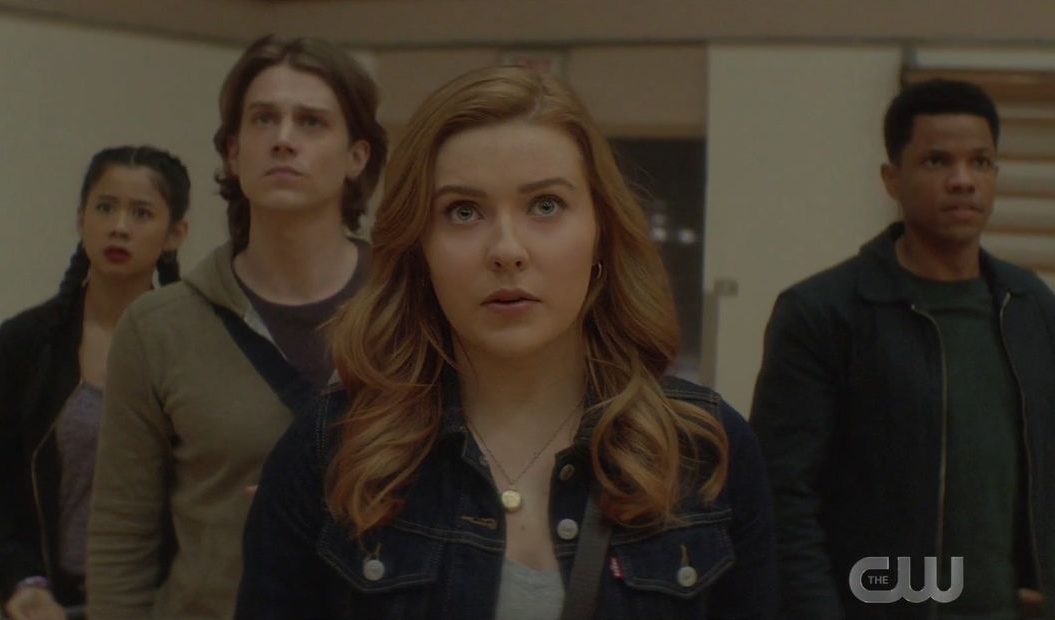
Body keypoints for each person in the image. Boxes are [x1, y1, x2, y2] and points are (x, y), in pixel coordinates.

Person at [236, 65, 777, 619]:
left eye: (545, 205)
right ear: (419, 248)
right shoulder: (332, 451)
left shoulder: (704, 449)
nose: (507, 251)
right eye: (463, 211)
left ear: (600, 233)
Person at [84, 34, 386, 619]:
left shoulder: (412, 308)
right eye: (263, 119)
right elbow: (122, 532)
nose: (283, 138)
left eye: (312, 122)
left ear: (356, 157)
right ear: (232, 151)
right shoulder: (159, 327)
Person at [750, 78, 1054, 619]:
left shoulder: (1028, 305)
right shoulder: (824, 313)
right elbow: (782, 495)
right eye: (937, 161)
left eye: (980, 162)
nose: (962, 180)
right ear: (892, 179)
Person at [0, 145, 191, 620]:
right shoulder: (27, 342)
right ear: (81, 218)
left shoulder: (195, 346)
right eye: (105, 207)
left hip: (166, 602)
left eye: (141, 213)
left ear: (175, 234)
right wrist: (23, 579)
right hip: (50, 602)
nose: (119, 226)